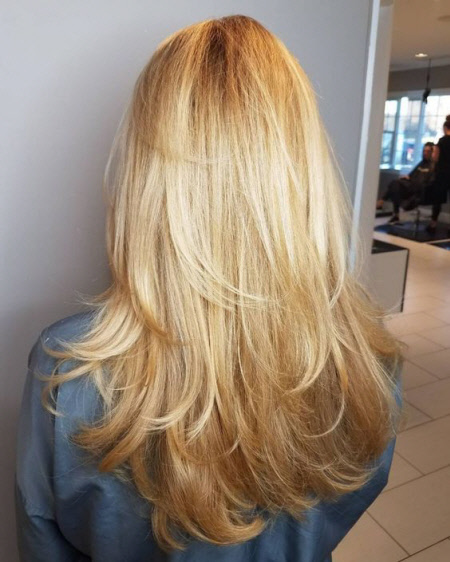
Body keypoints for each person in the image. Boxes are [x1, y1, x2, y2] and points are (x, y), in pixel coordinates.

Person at [15, 15, 405, 562]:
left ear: (145, 171)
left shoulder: (68, 371)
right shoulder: (367, 361)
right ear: (302, 165)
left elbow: (43, 538)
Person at [376, 142, 435, 224]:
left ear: (432, 152)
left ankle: (382, 201)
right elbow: (411, 175)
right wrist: (407, 177)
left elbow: (429, 182)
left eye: (428, 151)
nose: (425, 153)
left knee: (395, 184)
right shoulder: (421, 164)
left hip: (420, 190)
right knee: (395, 186)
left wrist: (416, 182)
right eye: (424, 151)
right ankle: (395, 213)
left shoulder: (433, 166)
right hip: (411, 186)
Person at [425, 116, 450, 234]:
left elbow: (435, 158)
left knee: (438, 200)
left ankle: (433, 223)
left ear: (445, 128)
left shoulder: (442, 141)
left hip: (442, 174)